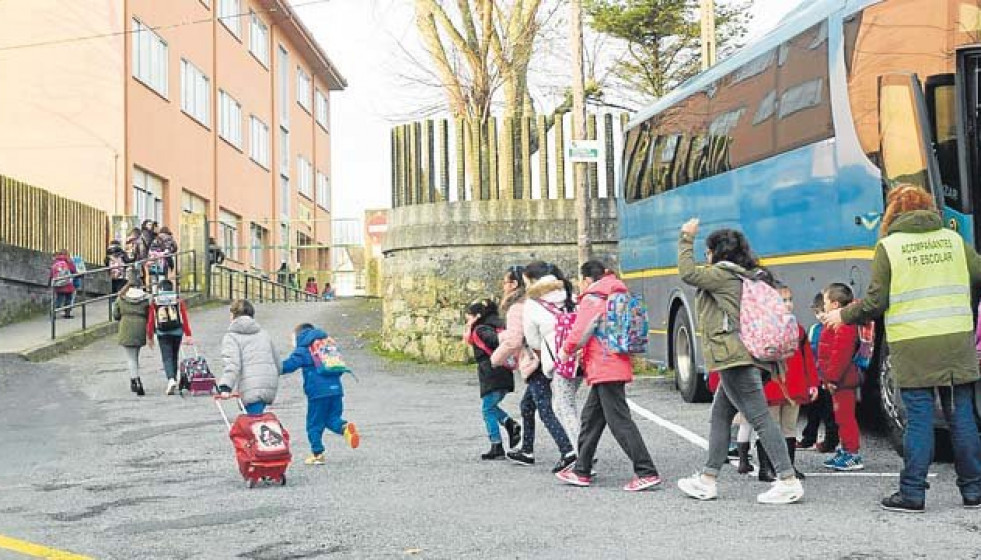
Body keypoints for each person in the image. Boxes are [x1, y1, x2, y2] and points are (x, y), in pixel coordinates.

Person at [822, 184, 981, 512]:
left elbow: (876, 301)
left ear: (892, 213)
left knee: (920, 417)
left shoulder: (890, 247)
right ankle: (973, 489)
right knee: (961, 414)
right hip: (955, 339)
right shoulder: (954, 241)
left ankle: (912, 493)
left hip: (913, 343)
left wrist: (843, 315)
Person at [675, 219, 804, 504]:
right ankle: (708, 479)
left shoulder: (723, 275)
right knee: (720, 415)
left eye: (708, 251)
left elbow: (687, 273)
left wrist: (686, 237)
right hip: (746, 356)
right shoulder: (750, 276)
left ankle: (788, 479)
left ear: (717, 252)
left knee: (759, 418)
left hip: (735, 358)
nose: (706, 257)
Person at [554, 260, 662, 492]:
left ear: (585, 279)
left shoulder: (594, 298)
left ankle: (646, 471)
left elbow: (580, 331)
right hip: (616, 362)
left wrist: (565, 352)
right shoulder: (617, 291)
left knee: (619, 421)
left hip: (603, 365)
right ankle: (581, 469)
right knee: (591, 419)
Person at [490, 265, 576, 472]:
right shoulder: (544, 299)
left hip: (536, 362)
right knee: (527, 406)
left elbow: (515, 341)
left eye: (505, 282)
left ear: (514, 284)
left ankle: (569, 450)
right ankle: (527, 449)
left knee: (546, 409)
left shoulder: (518, 307)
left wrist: (495, 359)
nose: (503, 286)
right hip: (546, 359)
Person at [757, 283, 819, 481]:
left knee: (789, 427)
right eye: (783, 300)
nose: (788, 304)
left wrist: (812, 383)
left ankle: (788, 466)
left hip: (794, 386)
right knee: (771, 427)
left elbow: (808, 358)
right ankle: (767, 467)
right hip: (772, 385)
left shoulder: (798, 329)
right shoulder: (764, 328)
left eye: (790, 300)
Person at [282, 323, 360, 465]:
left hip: (318, 394)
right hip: (336, 390)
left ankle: (317, 453)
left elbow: (289, 365)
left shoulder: (303, 349)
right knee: (332, 418)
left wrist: (272, 367)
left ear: (298, 336)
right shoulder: (327, 344)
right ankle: (344, 427)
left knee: (314, 424)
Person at [522, 261, 583, 445]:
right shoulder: (570, 295)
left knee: (564, 408)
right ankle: (582, 450)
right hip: (581, 357)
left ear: (532, 280)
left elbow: (532, 341)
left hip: (559, 362)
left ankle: (583, 456)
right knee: (567, 404)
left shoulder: (532, 304)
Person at [465, 298, 520, 460]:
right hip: (501, 372)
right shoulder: (497, 325)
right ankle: (509, 424)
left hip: (492, 373)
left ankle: (497, 444)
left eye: (469, 316)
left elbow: (495, 341)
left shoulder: (482, 329)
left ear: (477, 315)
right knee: (490, 406)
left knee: (487, 409)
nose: (467, 319)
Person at [817, 283, 863, 471]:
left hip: (841, 380)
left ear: (835, 304)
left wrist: (831, 378)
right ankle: (846, 450)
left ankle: (852, 454)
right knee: (841, 417)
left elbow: (840, 355)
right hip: (839, 379)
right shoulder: (840, 323)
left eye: (826, 301)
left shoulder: (843, 325)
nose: (824, 305)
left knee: (845, 418)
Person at [217, 299, 282, 415]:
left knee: (254, 424)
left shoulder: (231, 337)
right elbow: (278, 363)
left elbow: (232, 364)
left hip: (250, 386)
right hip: (269, 384)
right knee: (259, 423)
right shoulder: (263, 333)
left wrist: (225, 387)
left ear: (233, 315)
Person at [799, 292, 839, 452]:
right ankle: (808, 438)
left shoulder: (835, 329)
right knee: (812, 411)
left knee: (830, 413)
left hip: (828, 379)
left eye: (824, 311)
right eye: (817, 312)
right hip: (815, 378)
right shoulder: (814, 329)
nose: (821, 316)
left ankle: (830, 441)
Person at [146, 280, 193, 395]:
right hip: (177, 332)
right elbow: (183, 317)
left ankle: (171, 379)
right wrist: (188, 334)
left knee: (166, 357)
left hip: (163, 333)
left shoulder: (156, 300)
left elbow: (151, 319)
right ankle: (174, 379)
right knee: (174, 356)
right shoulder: (177, 299)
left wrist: (150, 336)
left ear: (161, 288)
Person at [112, 279, 150, 396]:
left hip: (126, 326)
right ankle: (134, 379)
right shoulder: (145, 299)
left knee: (131, 357)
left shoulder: (121, 298)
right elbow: (149, 313)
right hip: (140, 326)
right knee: (136, 355)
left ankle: (136, 380)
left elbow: (116, 315)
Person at [49, 250, 78, 319]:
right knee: (68, 299)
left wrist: (50, 283)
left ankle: (53, 313)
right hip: (68, 284)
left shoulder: (55, 262)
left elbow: (51, 274)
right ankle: (67, 313)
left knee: (59, 299)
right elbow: (74, 271)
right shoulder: (68, 262)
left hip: (58, 284)